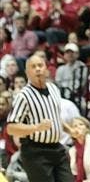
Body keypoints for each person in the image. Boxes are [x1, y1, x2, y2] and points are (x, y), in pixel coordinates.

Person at [6, 53, 74, 182]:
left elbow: (55, 116)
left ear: (46, 69)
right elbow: (11, 128)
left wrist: (70, 130)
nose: (37, 69)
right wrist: (36, 127)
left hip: (57, 148)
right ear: (27, 73)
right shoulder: (23, 96)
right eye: (33, 66)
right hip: (35, 152)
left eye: (40, 65)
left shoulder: (54, 89)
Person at [67, 116, 90, 182]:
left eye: (81, 124)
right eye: (75, 126)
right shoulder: (71, 151)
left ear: (87, 128)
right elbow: (73, 173)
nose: (78, 127)